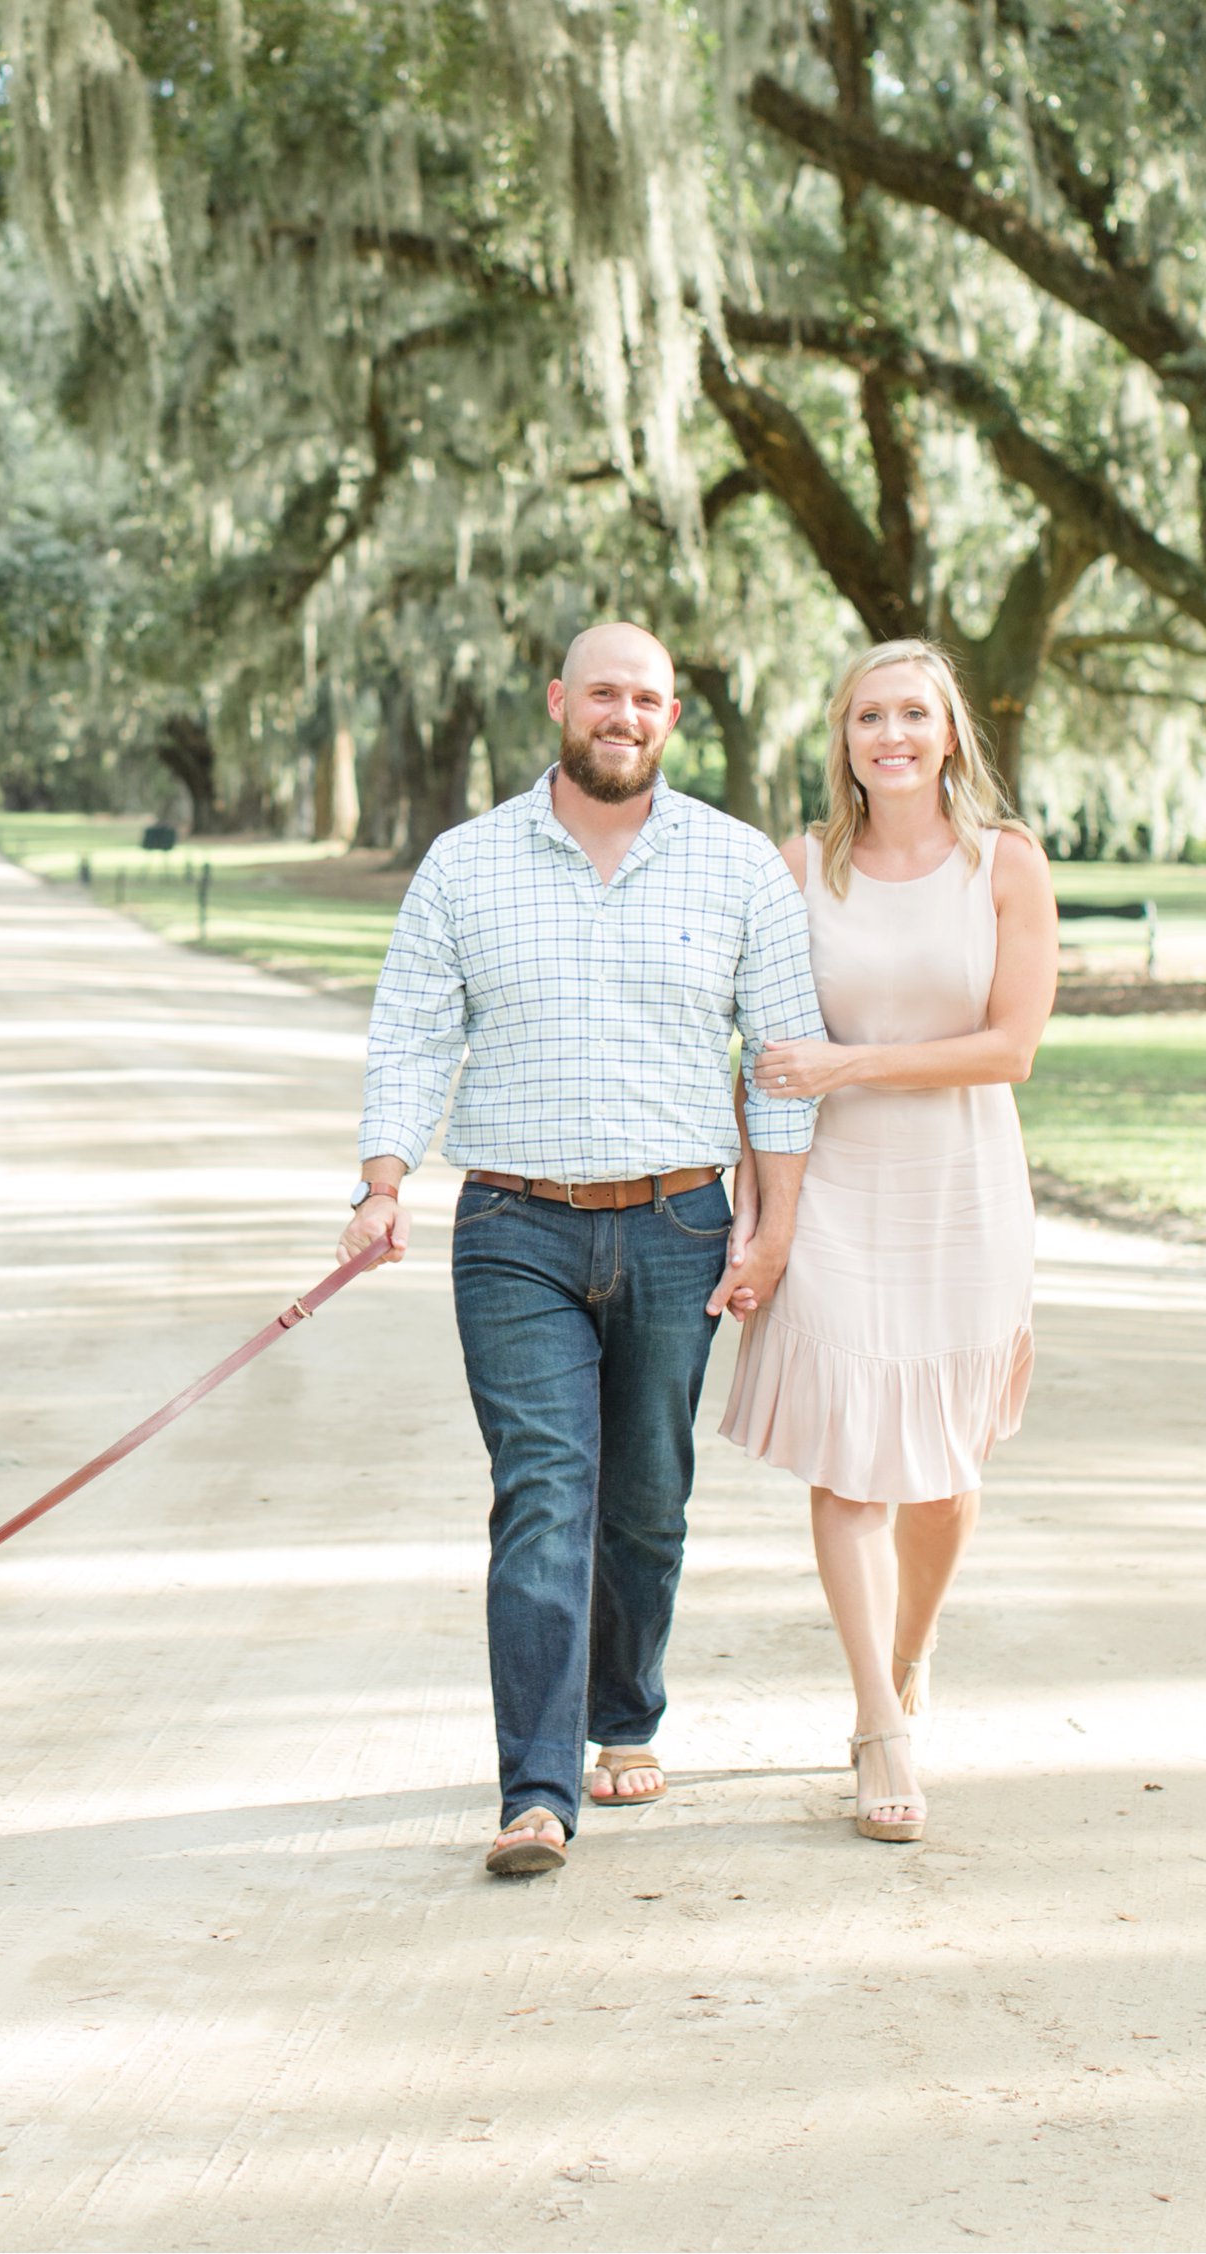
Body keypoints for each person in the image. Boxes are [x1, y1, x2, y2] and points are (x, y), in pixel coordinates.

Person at [340, 621, 823, 1878]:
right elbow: (408, 1032)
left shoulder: (735, 865)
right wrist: (381, 1180)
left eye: (647, 697)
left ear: (670, 718)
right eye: (602, 691)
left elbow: (776, 1065)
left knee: (646, 1502)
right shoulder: (464, 863)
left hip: (677, 1222)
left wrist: (769, 1227)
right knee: (545, 1496)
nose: (623, 713)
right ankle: (535, 1789)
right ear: (559, 701)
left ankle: (624, 1713)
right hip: (514, 1227)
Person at [718, 637, 1056, 1841]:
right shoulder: (798, 865)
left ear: (949, 732)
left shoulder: (1004, 864)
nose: (892, 734)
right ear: (843, 737)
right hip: (840, 1191)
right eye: (869, 715)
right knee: (847, 1459)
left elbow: (1007, 1047)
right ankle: (876, 1722)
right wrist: (760, 1213)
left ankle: (908, 1655)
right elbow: (760, 1060)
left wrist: (850, 1060)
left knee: (945, 1474)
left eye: (913, 712)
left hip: (963, 1189)